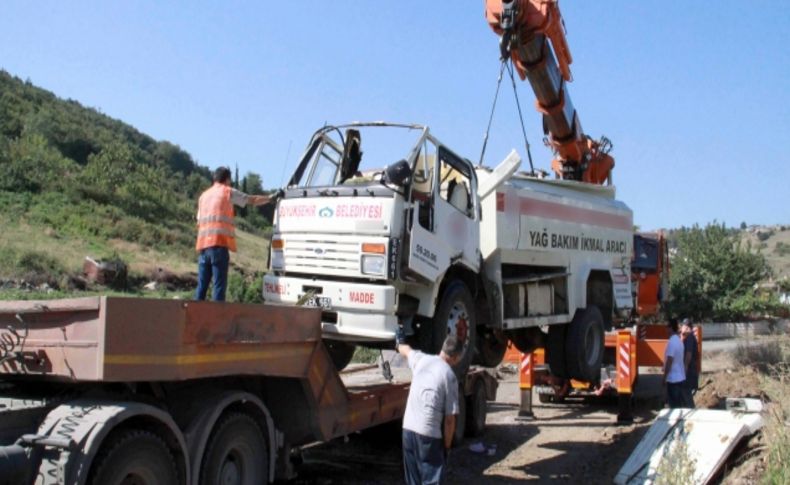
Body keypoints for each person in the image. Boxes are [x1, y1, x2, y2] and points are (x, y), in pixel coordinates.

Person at [194, 166, 270, 301]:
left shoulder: (203, 196)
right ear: (227, 179)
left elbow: (199, 220)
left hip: (203, 247)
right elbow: (251, 200)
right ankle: (217, 319)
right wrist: (270, 198)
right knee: (218, 287)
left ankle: (193, 318)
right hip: (219, 245)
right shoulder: (227, 191)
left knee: (201, 287)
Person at [397, 332, 461, 485]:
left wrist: (398, 341)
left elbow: (405, 350)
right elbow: (450, 420)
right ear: (456, 357)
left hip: (408, 430)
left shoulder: (422, 360)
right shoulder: (449, 376)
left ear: (443, 348)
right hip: (429, 436)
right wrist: (447, 446)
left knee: (413, 481)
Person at [663, 318, 686, 408]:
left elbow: (669, 361)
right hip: (680, 377)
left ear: (671, 328)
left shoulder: (672, 342)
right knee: (678, 405)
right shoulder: (679, 341)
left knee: (674, 406)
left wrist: (664, 378)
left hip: (673, 379)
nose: (666, 329)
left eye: (667, 327)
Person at [681, 318, 699, 408]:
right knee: (685, 394)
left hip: (689, 370)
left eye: (683, 326)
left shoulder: (690, 338)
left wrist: (685, 368)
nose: (682, 328)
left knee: (686, 393)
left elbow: (688, 354)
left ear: (687, 327)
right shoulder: (688, 336)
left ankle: (691, 413)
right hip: (690, 369)